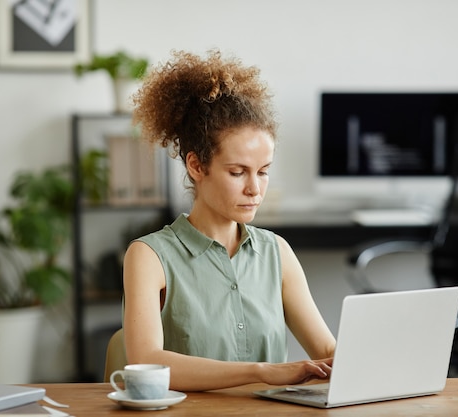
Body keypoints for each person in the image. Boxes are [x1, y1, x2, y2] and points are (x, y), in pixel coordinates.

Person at [124, 49, 336, 392]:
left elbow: (327, 351)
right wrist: (260, 372)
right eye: (238, 172)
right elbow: (146, 361)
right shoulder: (149, 257)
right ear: (197, 166)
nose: (255, 188)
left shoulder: (276, 252)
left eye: (263, 172)